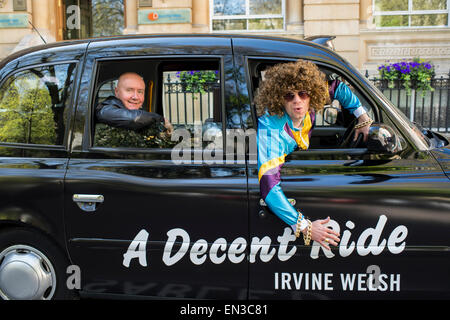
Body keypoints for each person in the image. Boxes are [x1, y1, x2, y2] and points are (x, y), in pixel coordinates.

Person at [254, 59, 373, 250]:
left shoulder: (309, 105)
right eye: (289, 96)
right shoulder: (272, 129)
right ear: (278, 98)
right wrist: (305, 227)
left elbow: (337, 88)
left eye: (302, 93)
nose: (297, 100)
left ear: (312, 95)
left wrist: (362, 115)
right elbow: (269, 188)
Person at [96, 72, 173, 134]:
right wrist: (161, 119)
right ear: (117, 92)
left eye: (140, 92)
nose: (135, 97)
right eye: (129, 90)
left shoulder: (143, 115)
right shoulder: (105, 109)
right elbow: (133, 119)